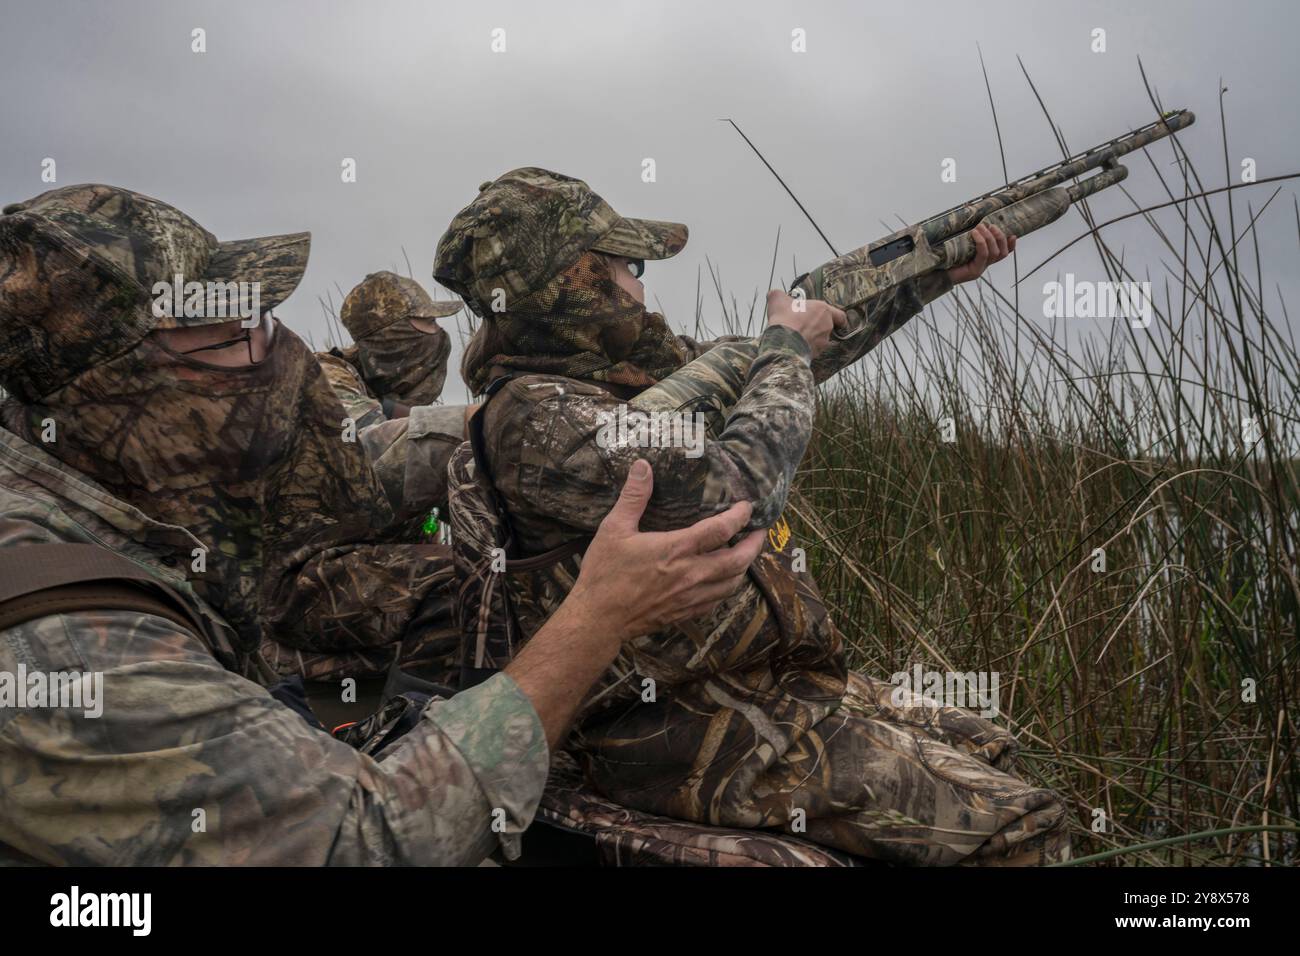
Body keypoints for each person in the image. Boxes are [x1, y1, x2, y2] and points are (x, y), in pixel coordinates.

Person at [0, 182, 765, 865]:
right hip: (330, 738)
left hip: (294, 690)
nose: (275, 356)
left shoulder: (92, 472)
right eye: (233, 338)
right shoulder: (69, 653)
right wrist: (597, 617)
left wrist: (520, 419)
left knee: (380, 696)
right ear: (119, 385)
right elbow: (377, 836)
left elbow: (370, 457)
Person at [434, 167, 1070, 866]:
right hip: (676, 732)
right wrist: (785, 348)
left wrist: (931, 275)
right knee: (1024, 824)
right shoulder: (543, 420)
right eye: (629, 265)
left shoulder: (604, 388)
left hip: (748, 688)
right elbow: (740, 489)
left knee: (985, 738)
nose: (641, 285)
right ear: (577, 283)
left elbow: (793, 360)